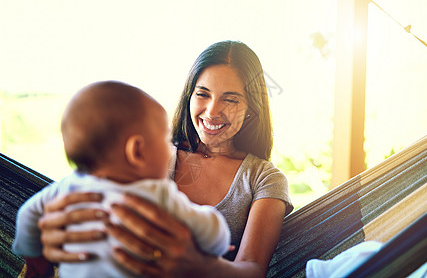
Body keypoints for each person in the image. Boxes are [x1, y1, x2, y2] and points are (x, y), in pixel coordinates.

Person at [36, 41, 293, 277]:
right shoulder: (151, 155)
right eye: (202, 94)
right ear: (189, 97)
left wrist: (194, 262)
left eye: (231, 99)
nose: (212, 112)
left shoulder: (264, 179)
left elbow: (253, 269)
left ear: (251, 107)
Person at [12, 81, 231, 277]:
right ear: (136, 151)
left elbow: (27, 216)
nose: (170, 148)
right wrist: (217, 235)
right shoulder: (157, 195)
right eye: (165, 139)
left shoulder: (67, 188)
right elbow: (211, 232)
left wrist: (35, 264)